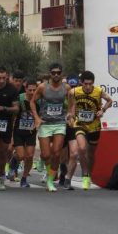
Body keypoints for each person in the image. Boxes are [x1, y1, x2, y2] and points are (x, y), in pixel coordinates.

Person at [67, 70, 113, 190]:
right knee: (82, 148)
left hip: (94, 126)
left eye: (90, 84)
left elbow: (110, 101)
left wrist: (103, 110)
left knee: (91, 154)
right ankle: (85, 173)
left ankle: (88, 175)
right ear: (81, 83)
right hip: (80, 124)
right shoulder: (73, 92)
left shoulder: (99, 91)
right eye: (85, 84)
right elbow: (71, 106)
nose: (88, 86)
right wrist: (70, 115)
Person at [31, 62, 71, 193]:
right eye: (53, 73)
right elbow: (32, 102)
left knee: (57, 152)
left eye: (58, 73)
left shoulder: (66, 87)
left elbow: (73, 102)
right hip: (45, 123)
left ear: (61, 74)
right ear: (50, 74)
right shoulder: (43, 87)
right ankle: (45, 163)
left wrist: (70, 113)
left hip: (59, 123)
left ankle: (50, 180)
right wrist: (36, 118)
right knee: (46, 154)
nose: (56, 75)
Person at [13, 79, 38, 188]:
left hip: (31, 131)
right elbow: (13, 114)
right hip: (18, 130)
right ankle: (13, 161)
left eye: (34, 90)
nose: (32, 92)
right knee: (21, 155)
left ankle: (24, 178)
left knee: (30, 155)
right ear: (25, 89)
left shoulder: (39, 100)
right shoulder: (20, 98)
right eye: (30, 90)